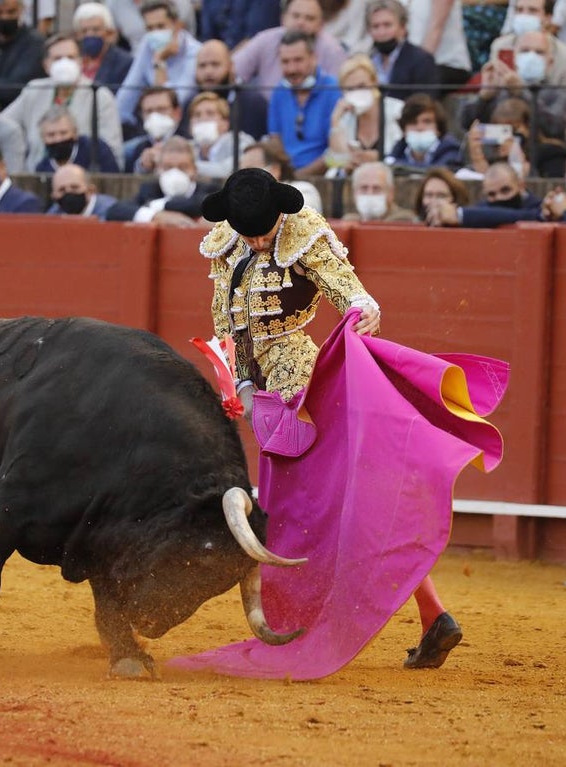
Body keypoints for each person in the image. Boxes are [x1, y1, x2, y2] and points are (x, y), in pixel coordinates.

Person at [196, 167, 467, 672]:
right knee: (341, 505)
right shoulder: (226, 244)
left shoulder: (304, 234)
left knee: (313, 512)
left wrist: (364, 310)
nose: (257, 240)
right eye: (248, 232)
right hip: (267, 399)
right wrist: (244, 387)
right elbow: (223, 324)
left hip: (304, 388)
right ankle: (432, 615)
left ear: (281, 212)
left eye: (264, 231)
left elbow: (351, 294)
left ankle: (319, 622)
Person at [1, 32, 123, 170]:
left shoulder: (99, 95)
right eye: (57, 58)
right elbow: (4, 125)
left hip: (80, 176)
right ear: (46, 65)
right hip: (35, 174)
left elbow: (112, 149)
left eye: (71, 58)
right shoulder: (34, 90)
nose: (64, 63)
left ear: (81, 62)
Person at [460, 31, 566, 145]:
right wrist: (484, 97)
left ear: (550, 62)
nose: (531, 56)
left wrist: (521, 92)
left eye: (539, 52)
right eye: (524, 51)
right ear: (514, 58)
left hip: (539, 157)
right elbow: (465, 124)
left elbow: (555, 128)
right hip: (495, 154)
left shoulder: (560, 93)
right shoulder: (498, 90)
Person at [488, 0, 566, 129]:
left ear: (548, 18)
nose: (524, 16)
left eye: (532, 11)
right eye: (519, 10)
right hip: (505, 127)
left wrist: (521, 91)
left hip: (551, 135)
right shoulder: (500, 47)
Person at [114, 0, 202, 131]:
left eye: (161, 27)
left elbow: (173, 102)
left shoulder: (195, 52)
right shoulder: (147, 44)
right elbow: (125, 98)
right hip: (151, 127)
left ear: (177, 26)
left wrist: (159, 62)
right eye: (150, 28)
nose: (155, 33)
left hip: (185, 128)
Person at [266, 30, 341, 177]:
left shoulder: (333, 90)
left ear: (313, 58)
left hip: (325, 178)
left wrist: (299, 176)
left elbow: (335, 149)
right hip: (286, 175)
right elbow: (275, 140)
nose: (292, 69)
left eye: (298, 60)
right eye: (285, 62)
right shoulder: (279, 91)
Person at [106, 135, 220, 223]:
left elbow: (201, 204)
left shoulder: (210, 190)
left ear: (194, 170)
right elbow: (115, 210)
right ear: (158, 169)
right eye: (168, 167)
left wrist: (159, 206)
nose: (175, 172)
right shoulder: (149, 190)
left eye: (183, 167)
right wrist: (155, 216)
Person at [325, 54, 404, 175]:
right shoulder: (345, 119)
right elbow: (337, 161)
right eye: (350, 89)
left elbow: (405, 156)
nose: (357, 93)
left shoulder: (398, 110)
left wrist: (380, 157)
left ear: (375, 82)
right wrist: (335, 120)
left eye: (362, 86)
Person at [184, 39, 268, 141]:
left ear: (231, 66)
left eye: (215, 64)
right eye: (202, 66)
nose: (208, 71)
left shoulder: (253, 103)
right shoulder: (190, 104)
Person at [359, 0, 439, 100]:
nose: (382, 32)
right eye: (375, 26)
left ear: (402, 27)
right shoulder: (365, 62)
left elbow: (424, 103)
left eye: (387, 25)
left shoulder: (421, 61)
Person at [427, 161, 545, 226]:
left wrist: (460, 215)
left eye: (505, 190)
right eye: (492, 194)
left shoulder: (538, 208)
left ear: (521, 186)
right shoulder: (482, 209)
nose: (499, 197)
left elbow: (526, 216)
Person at [240, 138, 324, 213]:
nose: (243, 178)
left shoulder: (304, 190)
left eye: (250, 171)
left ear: (275, 170)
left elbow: (295, 216)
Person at [32, 105, 120, 173]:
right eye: (51, 135)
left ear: (75, 133)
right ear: (42, 138)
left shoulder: (96, 150)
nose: (58, 139)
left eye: (63, 133)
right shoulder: (42, 169)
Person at [386, 93, 462, 170]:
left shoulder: (451, 151)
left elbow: (440, 172)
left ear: (438, 128)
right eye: (413, 122)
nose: (420, 128)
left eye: (427, 121)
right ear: (404, 130)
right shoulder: (397, 152)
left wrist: (398, 167)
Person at [187, 91, 253, 179]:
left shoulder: (241, 142)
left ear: (225, 122)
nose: (203, 119)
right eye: (197, 115)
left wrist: (185, 166)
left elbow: (228, 171)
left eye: (210, 113)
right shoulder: (187, 147)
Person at [72, 2, 133, 93]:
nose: (90, 34)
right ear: (78, 35)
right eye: (84, 31)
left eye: (96, 30)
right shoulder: (72, 60)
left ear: (108, 32)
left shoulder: (124, 63)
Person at [122, 85, 185, 173]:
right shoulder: (139, 149)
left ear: (177, 113)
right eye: (149, 111)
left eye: (161, 109)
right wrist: (143, 166)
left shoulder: (189, 142)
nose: (155, 116)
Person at [343, 160, 417, 221]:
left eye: (376, 188)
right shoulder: (349, 222)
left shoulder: (406, 221)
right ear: (354, 193)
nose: (370, 194)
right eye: (364, 188)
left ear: (391, 193)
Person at [44, 162, 118, 218]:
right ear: (53, 196)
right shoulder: (54, 213)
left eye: (74, 187)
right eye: (62, 190)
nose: (68, 192)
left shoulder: (110, 212)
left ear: (91, 190)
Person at [198, 0, 279, 49]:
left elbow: (255, 38)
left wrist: (227, 63)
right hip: (219, 63)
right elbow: (208, 38)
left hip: (256, 66)